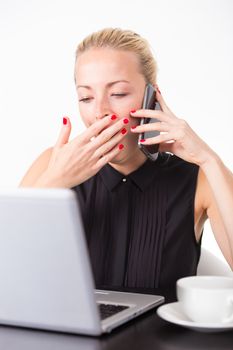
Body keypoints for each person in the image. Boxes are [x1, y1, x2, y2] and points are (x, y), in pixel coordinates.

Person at [20, 28, 233, 290]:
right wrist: (54, 182)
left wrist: (210, 160)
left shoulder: (199, 177)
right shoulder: (51, 164)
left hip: (160, 332)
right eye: (86, 97)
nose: (99, 112)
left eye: (118, 94)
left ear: (152, 98)